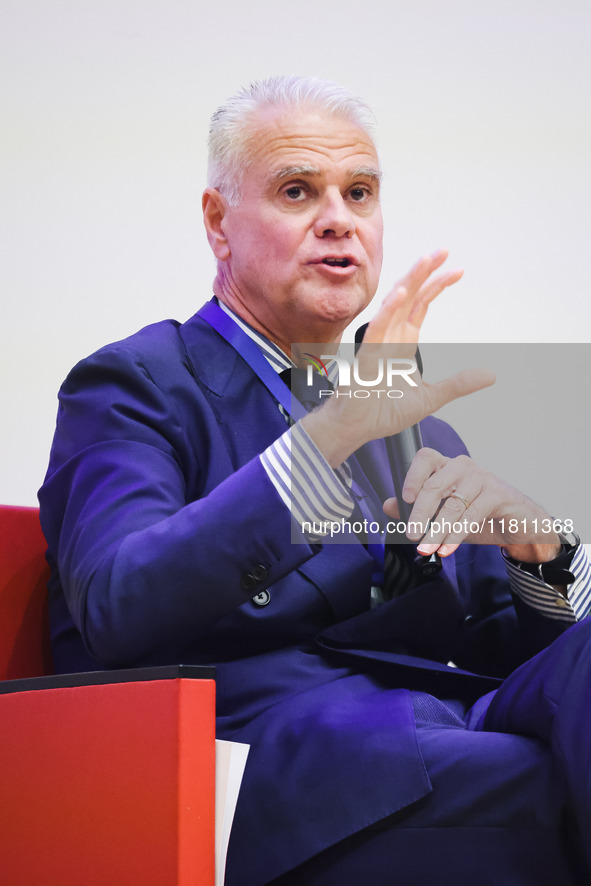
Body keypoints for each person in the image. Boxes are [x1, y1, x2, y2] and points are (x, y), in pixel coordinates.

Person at [39, 76, 591, 885]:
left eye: (358, 193)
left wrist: (537, 551)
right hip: (270, 752)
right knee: (534, 784)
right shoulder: (137, 383)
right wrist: (330, 435)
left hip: (433, 719)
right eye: (297, 191)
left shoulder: (411, 423)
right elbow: (117, 603)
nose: (338, 218)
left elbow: (500, 651)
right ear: (218, 224)